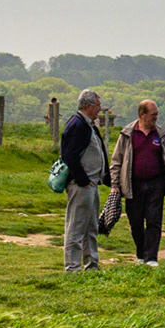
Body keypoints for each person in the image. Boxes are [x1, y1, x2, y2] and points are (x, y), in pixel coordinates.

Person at [111, 99, 165, 267]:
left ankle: (151, 258)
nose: (156, 117)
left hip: (156, 183)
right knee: (135, 221)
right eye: (153, 114)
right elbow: (116, 160)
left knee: (154, 220)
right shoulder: (127, 134)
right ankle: (141, 254)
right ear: (142, 114)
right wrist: (115, 185)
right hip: (133, 183)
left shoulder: (161, 135)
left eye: (157, 114)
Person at [60, 91, 110, 271]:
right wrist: (82, 179)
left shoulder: (88, 125)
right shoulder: (77, 125)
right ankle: (72, 268)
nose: (99, 109)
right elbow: (69, 155)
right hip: (82, 185)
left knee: (91, 227)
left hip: (92, 184)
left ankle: (92, 266)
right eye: (97, 105)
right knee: (76, 227)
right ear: (88, 106)